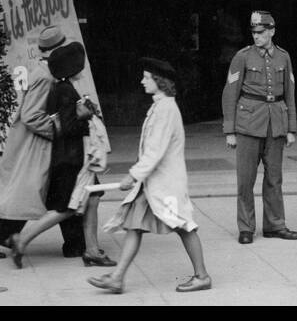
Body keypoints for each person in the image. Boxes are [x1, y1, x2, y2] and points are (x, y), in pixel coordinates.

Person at [88, 59, 211, 294]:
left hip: (165, 183)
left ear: (159, 81)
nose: (142, 81)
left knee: (184, 226)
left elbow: (155, 151)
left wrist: (132, 176)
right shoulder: (160, 106)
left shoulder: (165, 110)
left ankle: (202, 276)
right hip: (153, 183)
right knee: (134, 226)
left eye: (146, 77)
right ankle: (117, 278)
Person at [9, 37, 98, 266]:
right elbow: (67, 127)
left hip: (71, 156)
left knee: (92, 197)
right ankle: (23, 238)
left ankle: (93, 250)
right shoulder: (66, 91)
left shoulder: (62, 87)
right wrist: (85, 117)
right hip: (72, 158)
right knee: (68, 207)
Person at [222, 9, 297, 243]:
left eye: (261, 32)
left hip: (275, 122)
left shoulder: (283, 57)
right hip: (248, 124)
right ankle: (246, 228)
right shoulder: (242, 56)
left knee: (274, 178)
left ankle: (275, 225)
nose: (256, 36)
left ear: (272, 31)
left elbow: (289, 93)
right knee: (245, 179)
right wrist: (230, 130)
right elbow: (230, 93)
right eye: (254, 32)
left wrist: (291, 128)